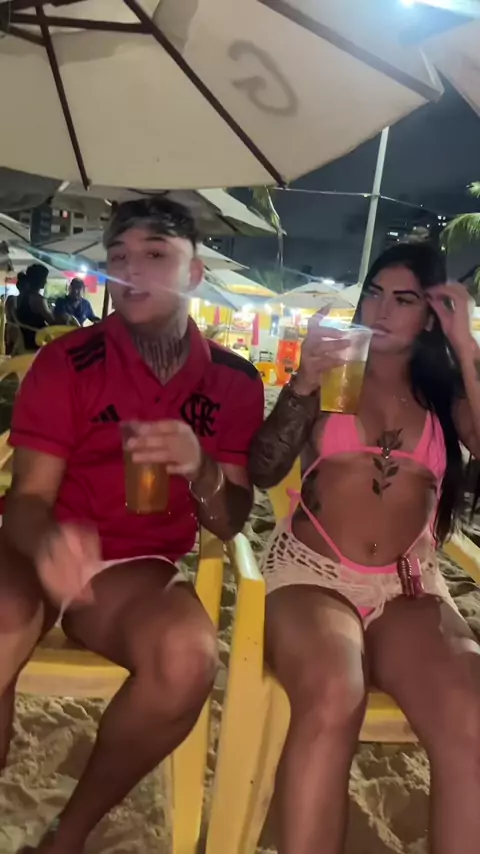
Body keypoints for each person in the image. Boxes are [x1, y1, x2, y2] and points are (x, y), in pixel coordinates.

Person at [0, 196, 264, 854]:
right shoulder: (69, 362)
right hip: (36, 546)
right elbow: (28, 499)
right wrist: (51, 545)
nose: (131, 270)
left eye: (155, 254)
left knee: (188, 658)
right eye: (119, 256)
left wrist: (202, 468)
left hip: (132, 571)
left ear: (194, 273)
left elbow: (228, 521)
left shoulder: (233, 382)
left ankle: (68, 835)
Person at [248, 242, 480, 854]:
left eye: (403, 300)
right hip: (313, 575)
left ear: (429, 317)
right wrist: (303, 382)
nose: (381, 309)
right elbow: (263, 469)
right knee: (334, 692)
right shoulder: (334, 371)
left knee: (472, 709)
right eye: (374, 293)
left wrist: (466, 347)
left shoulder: (444, 397)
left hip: (408, 586)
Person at [15, 263, 55, 351]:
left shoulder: (22, 297)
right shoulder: (38, 299)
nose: (46, 281)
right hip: (39, 341)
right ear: (39, 280)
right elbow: (52, 322)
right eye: (45, 278)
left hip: (27, 339)